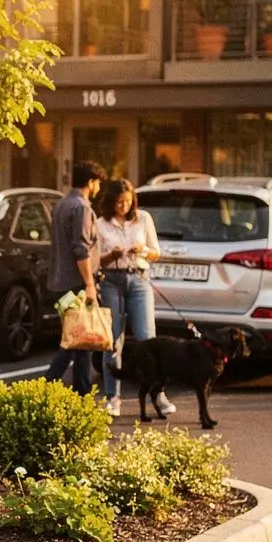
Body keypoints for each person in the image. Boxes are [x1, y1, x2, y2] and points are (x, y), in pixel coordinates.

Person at [98, 177, 175, 419]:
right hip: (111, 280)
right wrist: (112, 254)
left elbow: (156, 253)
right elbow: (96, 260)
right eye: (119, 202)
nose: (123, 206)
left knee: (148, 340)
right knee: (112, 342)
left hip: (139, 278)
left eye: (127, 202)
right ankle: (113, 397)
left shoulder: (143, 218)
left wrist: (141, 250)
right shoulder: (101, 224)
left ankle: (159, 395)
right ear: (111, 202)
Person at [45, 160, 106, 396]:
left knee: (80, 343)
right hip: (76, 282)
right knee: (77, 340)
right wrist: (90, 284)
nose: (99, 188)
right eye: (98, 183)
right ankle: (49, 384)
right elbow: (80, 249)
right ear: (91, 182)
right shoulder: (81, 208)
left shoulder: (62, 204)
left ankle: (82, 393)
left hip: (61, 280)